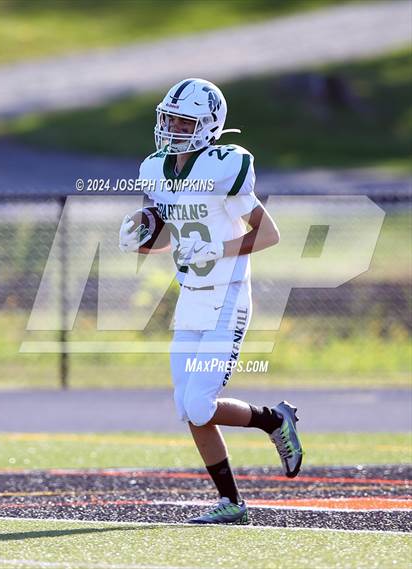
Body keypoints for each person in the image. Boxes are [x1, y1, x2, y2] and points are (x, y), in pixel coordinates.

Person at [119, 78, 303, 524]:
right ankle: (232, 502)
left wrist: (219, 249)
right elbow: (170, 237)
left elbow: (269, 234)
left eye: (185, 121)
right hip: (191, 298)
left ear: (209, 126)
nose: (174, 128)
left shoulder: (225, 165)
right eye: (170, 118)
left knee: (201, 404)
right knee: (188, 408)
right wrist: (142, 240)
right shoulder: (155, 169)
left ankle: (274, 421)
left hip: (228, 296)